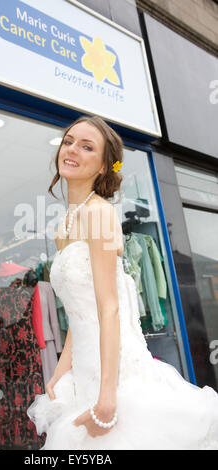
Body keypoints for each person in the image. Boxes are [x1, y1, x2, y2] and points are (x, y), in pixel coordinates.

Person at [26, 115, 218, 450]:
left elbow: (109, 306)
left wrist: (107, 395)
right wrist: (61, 370)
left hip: (117, 372)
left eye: (87, 147)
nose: (72, 150)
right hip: (85, 369)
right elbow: (78, 309)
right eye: (69, 141)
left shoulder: (98, 213)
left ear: (103, 166)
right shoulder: (64, 226)